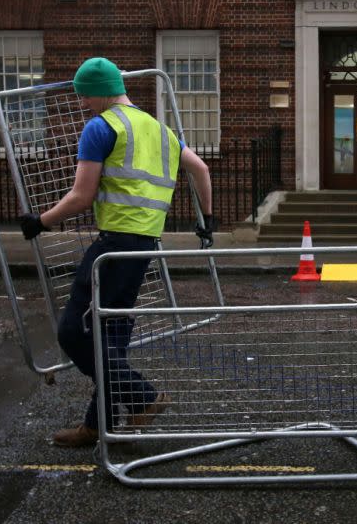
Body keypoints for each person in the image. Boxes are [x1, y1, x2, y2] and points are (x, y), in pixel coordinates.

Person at [19, 57, 214, 448]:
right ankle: (97, 425)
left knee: (73, 331)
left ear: (102, 91)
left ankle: (141, 397)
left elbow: (81, 196)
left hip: (115, 244)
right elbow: (201, 169)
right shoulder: (160, 130)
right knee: (110, 334)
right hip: (144, 246)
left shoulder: (101, 127)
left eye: (84, 95)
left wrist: (40, 221)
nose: (81, 103)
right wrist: (206, 220)